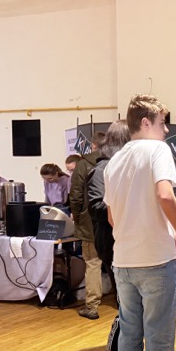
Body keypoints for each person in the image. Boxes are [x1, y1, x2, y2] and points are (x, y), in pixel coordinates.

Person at [103, 94, 176, 351]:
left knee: (130, 334)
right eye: (163, 123)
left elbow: (111, 217)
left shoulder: (114, 161)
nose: (166, 130)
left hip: (124, 261)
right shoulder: (157, 150)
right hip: (156, 258)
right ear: (145, 122)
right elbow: (165, 194)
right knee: (158, 336)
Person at [87, 120, 131, 351]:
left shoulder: (124, 168)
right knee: (126, 312)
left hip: (129, 249)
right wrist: (129, 205)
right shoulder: (102, 169)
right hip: (114, 249)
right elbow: (95, 205)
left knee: (132, 312)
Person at [70, 132, 106, 320]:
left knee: (93, 262)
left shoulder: (83, 164)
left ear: (93, 145)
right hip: (114, 219)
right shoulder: (117, 161)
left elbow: (75, 195)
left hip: (89, 221)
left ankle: (92, 306)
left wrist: (77, 217)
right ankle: (125, 303)